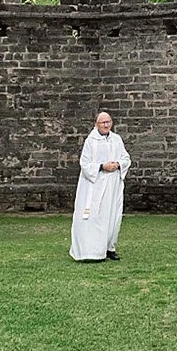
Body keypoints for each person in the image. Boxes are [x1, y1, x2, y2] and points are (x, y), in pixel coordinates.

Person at [71, 110, 128, 262]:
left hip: (113, 186)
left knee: (113, 217)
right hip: (95, 186)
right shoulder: (91, 141)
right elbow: (85, 163)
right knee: (95, 217)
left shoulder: (116, 139)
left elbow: (126, 158)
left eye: (108, 122)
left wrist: (118, 164)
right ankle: (93, 251)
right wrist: (103, 166)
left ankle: (110, 248)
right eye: (103, 122)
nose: (106, 125)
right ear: (96, 124)